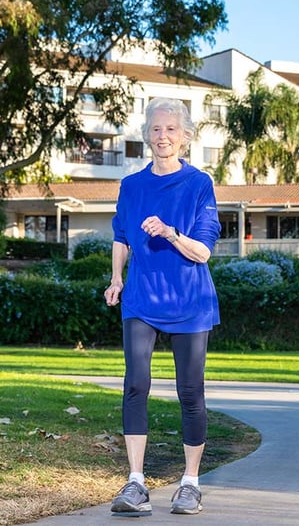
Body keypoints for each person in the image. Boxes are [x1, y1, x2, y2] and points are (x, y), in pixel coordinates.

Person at [104, 97, 221, 516]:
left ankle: (190, 483)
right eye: (156, 129)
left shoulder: (199, 184)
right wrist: (117, 277)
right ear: (146, 136)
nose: (163, 136)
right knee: (136, 384)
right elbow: (121, 235)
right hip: (141, 298)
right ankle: (135, 482)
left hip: (190, 303)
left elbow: (203, 252)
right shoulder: (132, 186)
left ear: (185, 137)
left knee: (191, 392)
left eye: (171, 129)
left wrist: (171, 233)